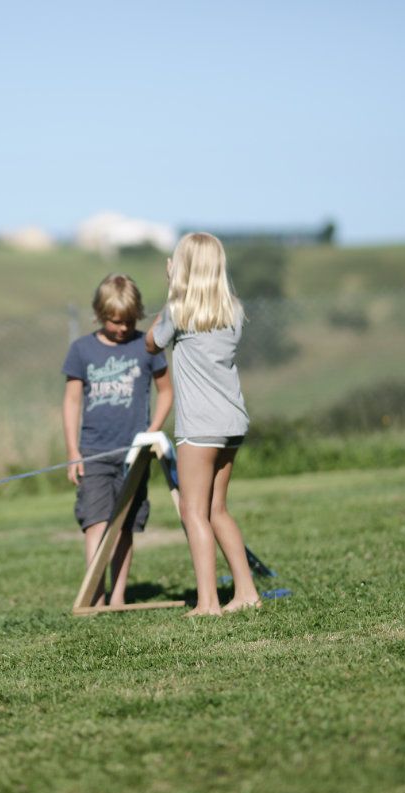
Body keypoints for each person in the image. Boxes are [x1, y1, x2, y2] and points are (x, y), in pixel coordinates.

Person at [146, 232, 259, 616]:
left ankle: (208, 602)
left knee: (192, 511)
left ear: (181, 268)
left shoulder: (178, 310)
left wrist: (170, 288)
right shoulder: (234, 311)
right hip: (232, 423)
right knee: (218, 510)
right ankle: (246, 593)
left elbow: (151, 342)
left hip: (199, 427)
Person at [62, 274, 172, 607]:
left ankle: (118, 596)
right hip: (94, 452)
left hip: (134, 456)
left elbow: (166, 392)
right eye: (114, 321)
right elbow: (71, 402)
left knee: (124, 526)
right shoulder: (82, 349)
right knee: (95, 523)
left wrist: (152, 431)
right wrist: (73, 452)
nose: (122, 328)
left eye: (128, 321)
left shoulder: (148, 346)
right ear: (98, 314)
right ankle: (94, 596)